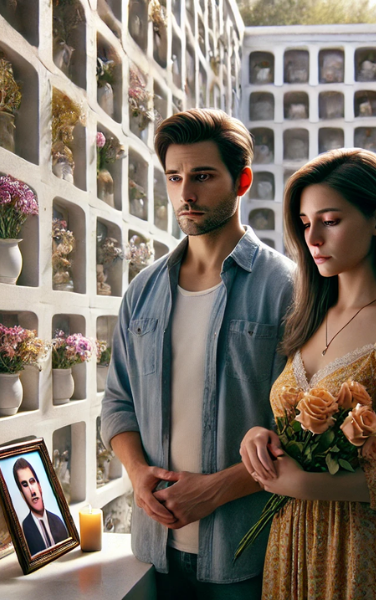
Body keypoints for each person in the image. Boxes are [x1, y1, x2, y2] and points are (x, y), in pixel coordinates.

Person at [240, 148, 376, 599]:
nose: (312, 237)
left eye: (330, 221)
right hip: (291, 539)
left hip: (363, 550)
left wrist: (307, 483)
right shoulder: (309, 316)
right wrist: (260, 436)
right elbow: (293, 423)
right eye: (304, 222)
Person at [101, 108, 294, 598]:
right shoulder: (143, 291)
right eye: (174, 177)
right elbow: (117, 402)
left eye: (203, 177)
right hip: (154, 552)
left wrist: (214, 490)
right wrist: (137, 472)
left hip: (246, 553)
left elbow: (302, 430)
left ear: (242, 180)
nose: (185, 194)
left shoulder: (286, 288)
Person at [12, 458, 68, 556]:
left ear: (39, 486)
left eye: (32, 481)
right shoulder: (24, 530)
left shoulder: (57, 521)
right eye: (25, 485)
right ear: (22, 494)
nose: (32, 490)